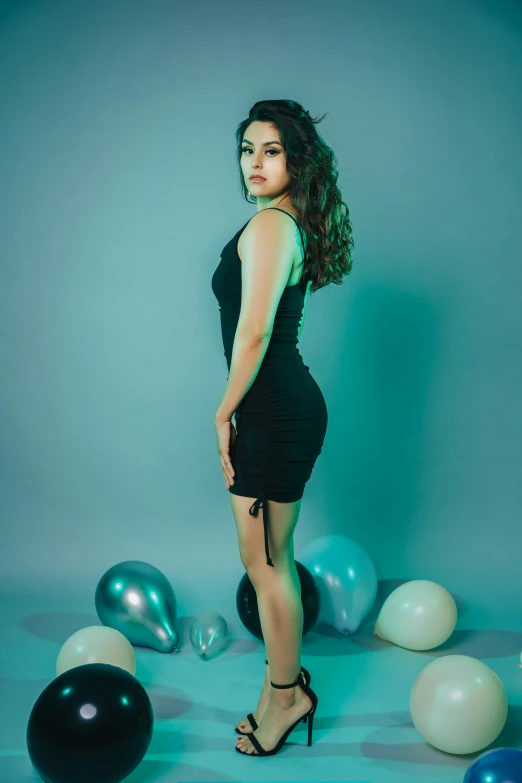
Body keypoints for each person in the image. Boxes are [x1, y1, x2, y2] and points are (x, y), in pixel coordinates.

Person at [211, 99, 354, 756]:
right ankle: (279, 687)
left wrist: (223, 411)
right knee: (272, 562)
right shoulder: (284, 223)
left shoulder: (271, 227)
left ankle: (288, 698)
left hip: (275, 412)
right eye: (248, 150)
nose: (256, 163)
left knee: (266, 566)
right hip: (276, 408)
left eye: (271, 150)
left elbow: (257, 331)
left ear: (294, 161)